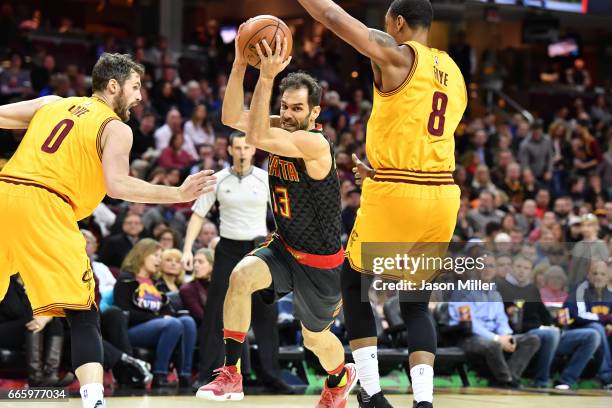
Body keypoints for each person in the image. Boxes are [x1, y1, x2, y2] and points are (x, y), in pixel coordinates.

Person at [0, 52, 216, 408]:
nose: (140, 96)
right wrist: (177, 193)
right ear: (113, 85)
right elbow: (117, 185)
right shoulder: (116, 127)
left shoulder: (54, 103)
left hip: (6, 191)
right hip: (48, 205)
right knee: (83, 313)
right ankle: (94, 402)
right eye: (134, 87)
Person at [298, 1, 467, 406]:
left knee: (354, 284)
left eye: (387, 22)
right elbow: (424, 133)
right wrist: (383, 170)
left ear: (399, 22)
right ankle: (424, 401)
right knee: (415, 303)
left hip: (400, 196)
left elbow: (333, 17)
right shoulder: (454, 72)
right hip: (443, 195)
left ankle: (371, 393)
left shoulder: (397, 55)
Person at [196, 31, 357, 406]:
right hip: (285, 247)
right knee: (239, 277)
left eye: (297, 109)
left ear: (315, 112)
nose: (286, 114)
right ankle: (231, 375)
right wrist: (239, 62)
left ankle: (339, 376)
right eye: (284, 106)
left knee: (314, 339)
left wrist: (265, 76)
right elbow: (229, 116)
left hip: (322, 263)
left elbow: (251, 134)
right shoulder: (282, 126)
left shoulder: (314, 144)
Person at [185, 131, 291, 393]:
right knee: (217, 313)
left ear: (253, 150)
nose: (242, 152)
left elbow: (282, 216)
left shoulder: (265, 179)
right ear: (230, 150)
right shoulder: (218, 180)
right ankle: (211, 374)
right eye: (237, 148)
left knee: (266, 312)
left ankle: (271, 375)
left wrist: (286, 248)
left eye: (247, 147)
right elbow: (198, 215)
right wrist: (187, 249)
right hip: (227, 250)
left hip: (259, 249)